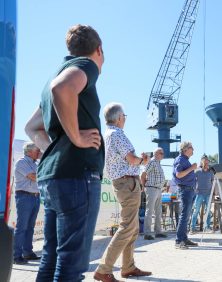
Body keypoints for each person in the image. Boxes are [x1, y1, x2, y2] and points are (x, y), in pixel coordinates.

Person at [24, 24, 105, 281]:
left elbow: (31, 127)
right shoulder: (86, 65)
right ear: (99, 50)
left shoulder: (50, 77)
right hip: (77, 175)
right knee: (71, 264)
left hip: (53, 176)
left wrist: (56, 147)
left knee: (51, 257)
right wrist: (77, 138)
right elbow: (63, 88)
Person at [94, 103, 151, 281]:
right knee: (127, 227)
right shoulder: (118, 134)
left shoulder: (107, 135)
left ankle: (128, 267)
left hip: (122, 183)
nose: (125, 119)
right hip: (128, 183)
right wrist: (143, 160)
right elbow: (132, 160)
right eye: (124, 116)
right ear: (119, 118)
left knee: (132, 227)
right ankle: (104, 268)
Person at [12, 142, 41, 265]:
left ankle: (28, 252)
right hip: (24, 196)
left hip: (35, 196)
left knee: (30, 227)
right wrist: (47, 173)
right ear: (29, 151)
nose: (39, 152)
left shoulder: (36, 163)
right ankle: (16, 256)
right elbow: (33, 177)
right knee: (22, 227)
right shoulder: (21, 162)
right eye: (37, 150)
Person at [172, 141, 199, 249]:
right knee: (184, 216)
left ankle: (184, 238)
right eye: (191, 147)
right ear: (185, 149)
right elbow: (179, 174)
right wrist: (192, 168)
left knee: (186, 216)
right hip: (185, 190)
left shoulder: (184, 160)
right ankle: (179, 241)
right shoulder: (180, 160)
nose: (193, 149)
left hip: (189, 190)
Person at [141, 148, 167, 240]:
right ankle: (147, 233)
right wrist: (143, 187)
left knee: (158, 211)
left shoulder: (158, 163)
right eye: (161, 153)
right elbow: (143, 174)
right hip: (151, 188)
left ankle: (158, 231)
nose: (163, 154)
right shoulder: (152, 162)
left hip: (158, 189)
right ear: (156, 153)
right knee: (149, 211)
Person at [190, 155, 214, 233]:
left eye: (207, 162)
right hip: (199, 194)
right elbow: (192, 181)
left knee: (208, 211)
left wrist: (214, 193)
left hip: (208, 194)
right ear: (201, 162)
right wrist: (194, 190)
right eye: (204, 162)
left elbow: (213, 182)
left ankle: (207, 227)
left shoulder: (211, 172)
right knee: (196, 211)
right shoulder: (197, 171)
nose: (206, 163)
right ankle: (192, 228)